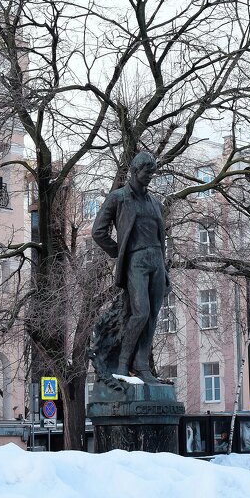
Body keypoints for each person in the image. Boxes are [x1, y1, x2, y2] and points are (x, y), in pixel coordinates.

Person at [92, 151, 169, 381]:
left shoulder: (155, 203)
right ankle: (124, 362)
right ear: (135, 171)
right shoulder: (118, 198)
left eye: (152, 174)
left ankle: (142, 364)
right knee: (141, 312)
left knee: (153, 315)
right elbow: (98, 231)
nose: (149, 177)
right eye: (147, 173)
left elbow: (160, 236)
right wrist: (121, 253)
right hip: (136, 260)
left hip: (156, 259)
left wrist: (164, 269)